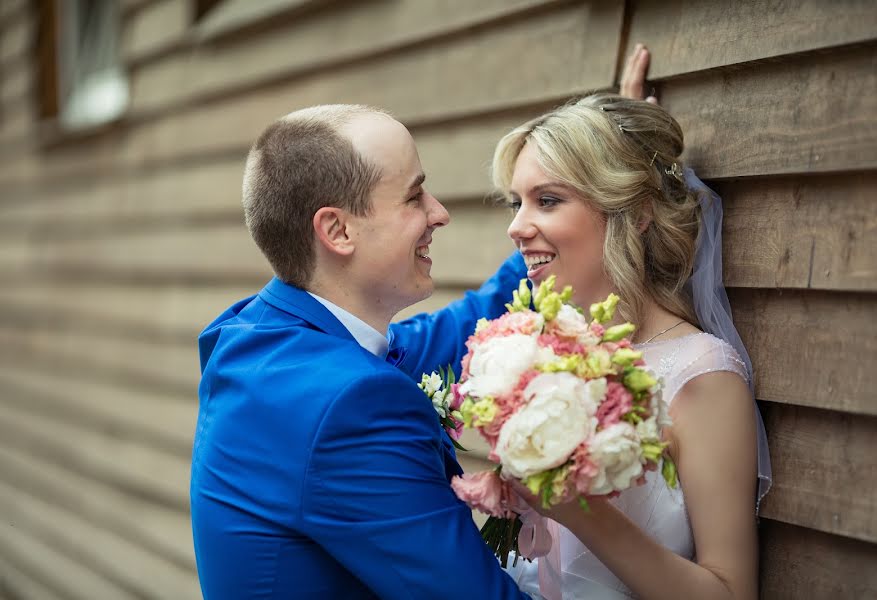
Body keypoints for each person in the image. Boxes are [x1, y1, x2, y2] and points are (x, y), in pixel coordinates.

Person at [190, 104, 532, 598]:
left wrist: (571, 201)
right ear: (337, 231)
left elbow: (456, 330)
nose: (439, 212)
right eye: (414, 196)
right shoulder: (345, 404)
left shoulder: (269, 337)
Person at [494, 45, 772, 599]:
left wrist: (581, 512)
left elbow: (730, 593)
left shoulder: (701, 375)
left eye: (547, 200)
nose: (517, 227)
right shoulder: (542, 351)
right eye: (515, 202)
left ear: (637, 212)